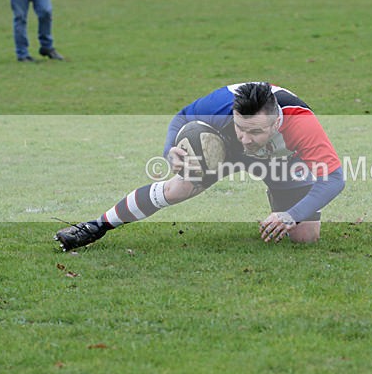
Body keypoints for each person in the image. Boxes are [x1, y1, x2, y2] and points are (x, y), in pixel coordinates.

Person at [55, 82, 345, 250]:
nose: (246, 137)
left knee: (305, 238)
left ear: (277, 122)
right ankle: (96, 226)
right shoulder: (222, 104)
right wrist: (171, 151)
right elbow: (182, 117)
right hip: (224, 150)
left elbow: (333, 179)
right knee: (178, 188)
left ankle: (277, 206)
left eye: (255, 131)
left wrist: (291, 215)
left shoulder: (301, 123)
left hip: (282, 161)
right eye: (241, 127)